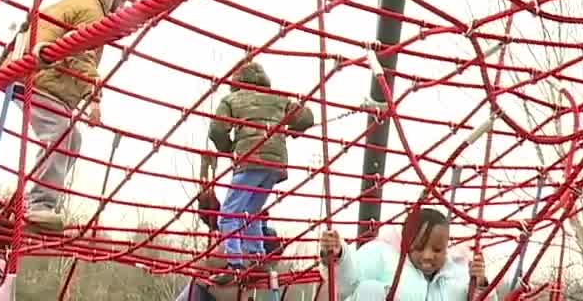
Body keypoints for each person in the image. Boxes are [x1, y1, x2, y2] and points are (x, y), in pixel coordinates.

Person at [5, 0, 139, 232]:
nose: (122, 6)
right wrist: (95, 100)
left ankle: (33, 203)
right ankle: (39, 205)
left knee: (70, 137)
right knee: (62, 136)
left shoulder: (84, 4)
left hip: (44, 81)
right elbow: (81, 57)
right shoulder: (91, 12)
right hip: (40, 80)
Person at [207, 61, 315, 281]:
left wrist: (228, 149)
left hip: (250, 159)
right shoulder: (279, 98)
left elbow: (217, 129)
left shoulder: (232, 99)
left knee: (228, 215)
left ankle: (234, 264)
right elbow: (306, 117)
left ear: (236, 82)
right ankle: (257, 258)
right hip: (275, 165)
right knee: (251, 213)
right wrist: (293, 130)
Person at [319, 207, 492, 301]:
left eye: (437, 250)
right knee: (370, 289)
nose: (427, 256)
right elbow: (349, 280)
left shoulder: (456, 275)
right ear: (405, 242)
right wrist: (339, 254)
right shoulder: (383, 255)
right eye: (419, 247)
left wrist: (479, 284)